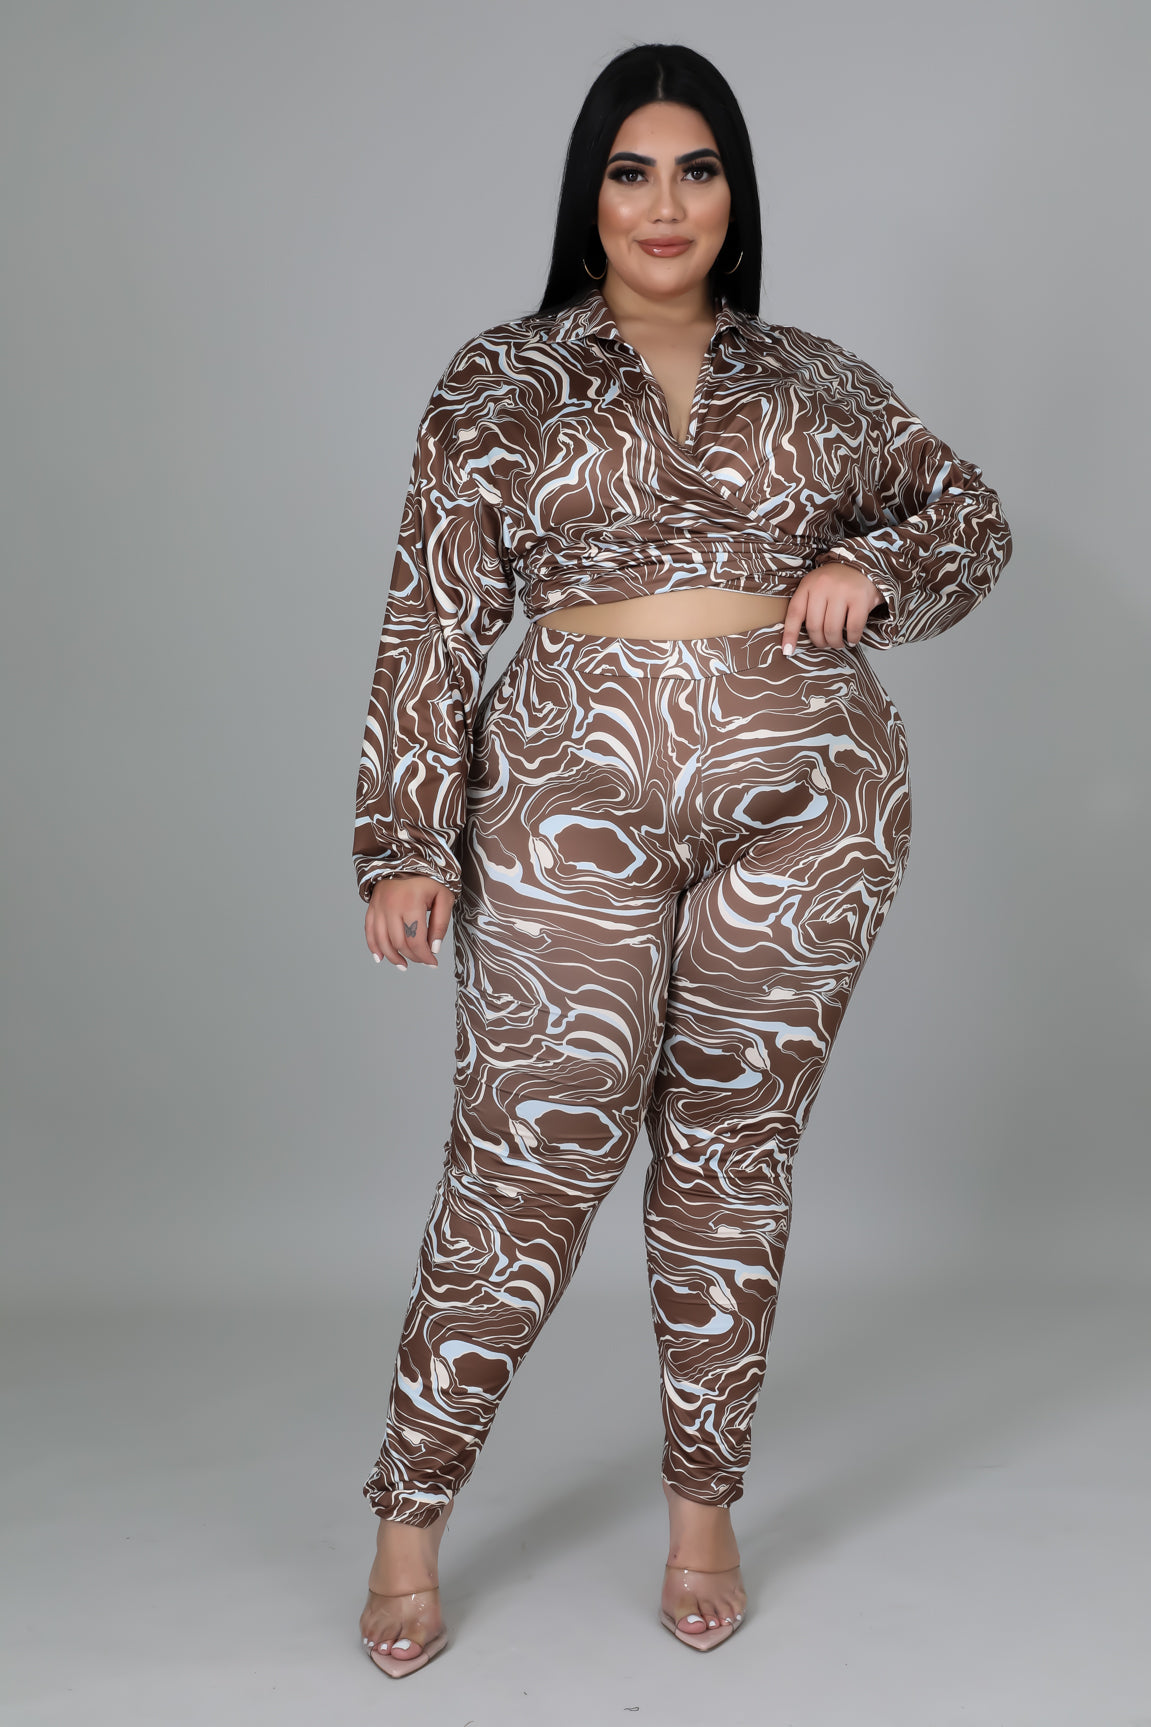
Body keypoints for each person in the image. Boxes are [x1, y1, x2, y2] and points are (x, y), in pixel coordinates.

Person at [352, 42, 1011, 1677]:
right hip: (565, 794)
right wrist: (402, 840)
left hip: (811, 798)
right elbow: (433, 617)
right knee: (530, 1153)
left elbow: (970, 521)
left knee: (734, 1150)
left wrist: (877, 569)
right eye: (633, 170)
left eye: (698, 169)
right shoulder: (502, 377)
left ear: (735, 193)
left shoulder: (818, 377)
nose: (667, 203)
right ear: (590, 193)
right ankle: (407, 1519)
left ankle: (704, 1515)